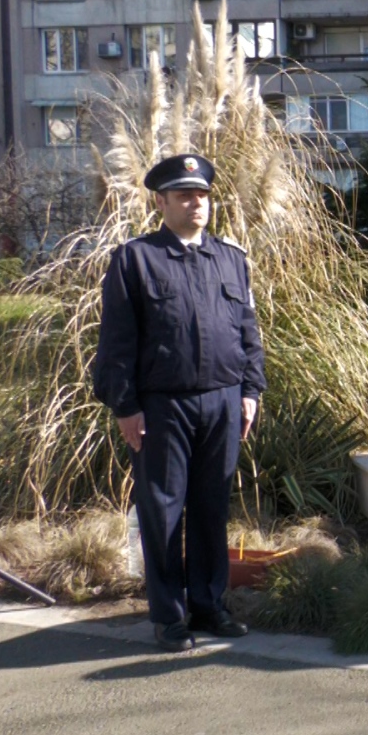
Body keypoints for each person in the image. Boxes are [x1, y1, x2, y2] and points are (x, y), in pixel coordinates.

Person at [94, 154, 266, 652]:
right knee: (163, 511)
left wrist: (250, 391)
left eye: (202, 195)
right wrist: (125, 406)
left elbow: (248, 331)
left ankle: (209, 605)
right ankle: (170, 617)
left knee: (211, 508)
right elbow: (117, 341)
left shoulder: (230, 258)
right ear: (161, 202)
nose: (196, 204)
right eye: (185, 195)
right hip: (162, 407)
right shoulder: (136, 259)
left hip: (223, 401)